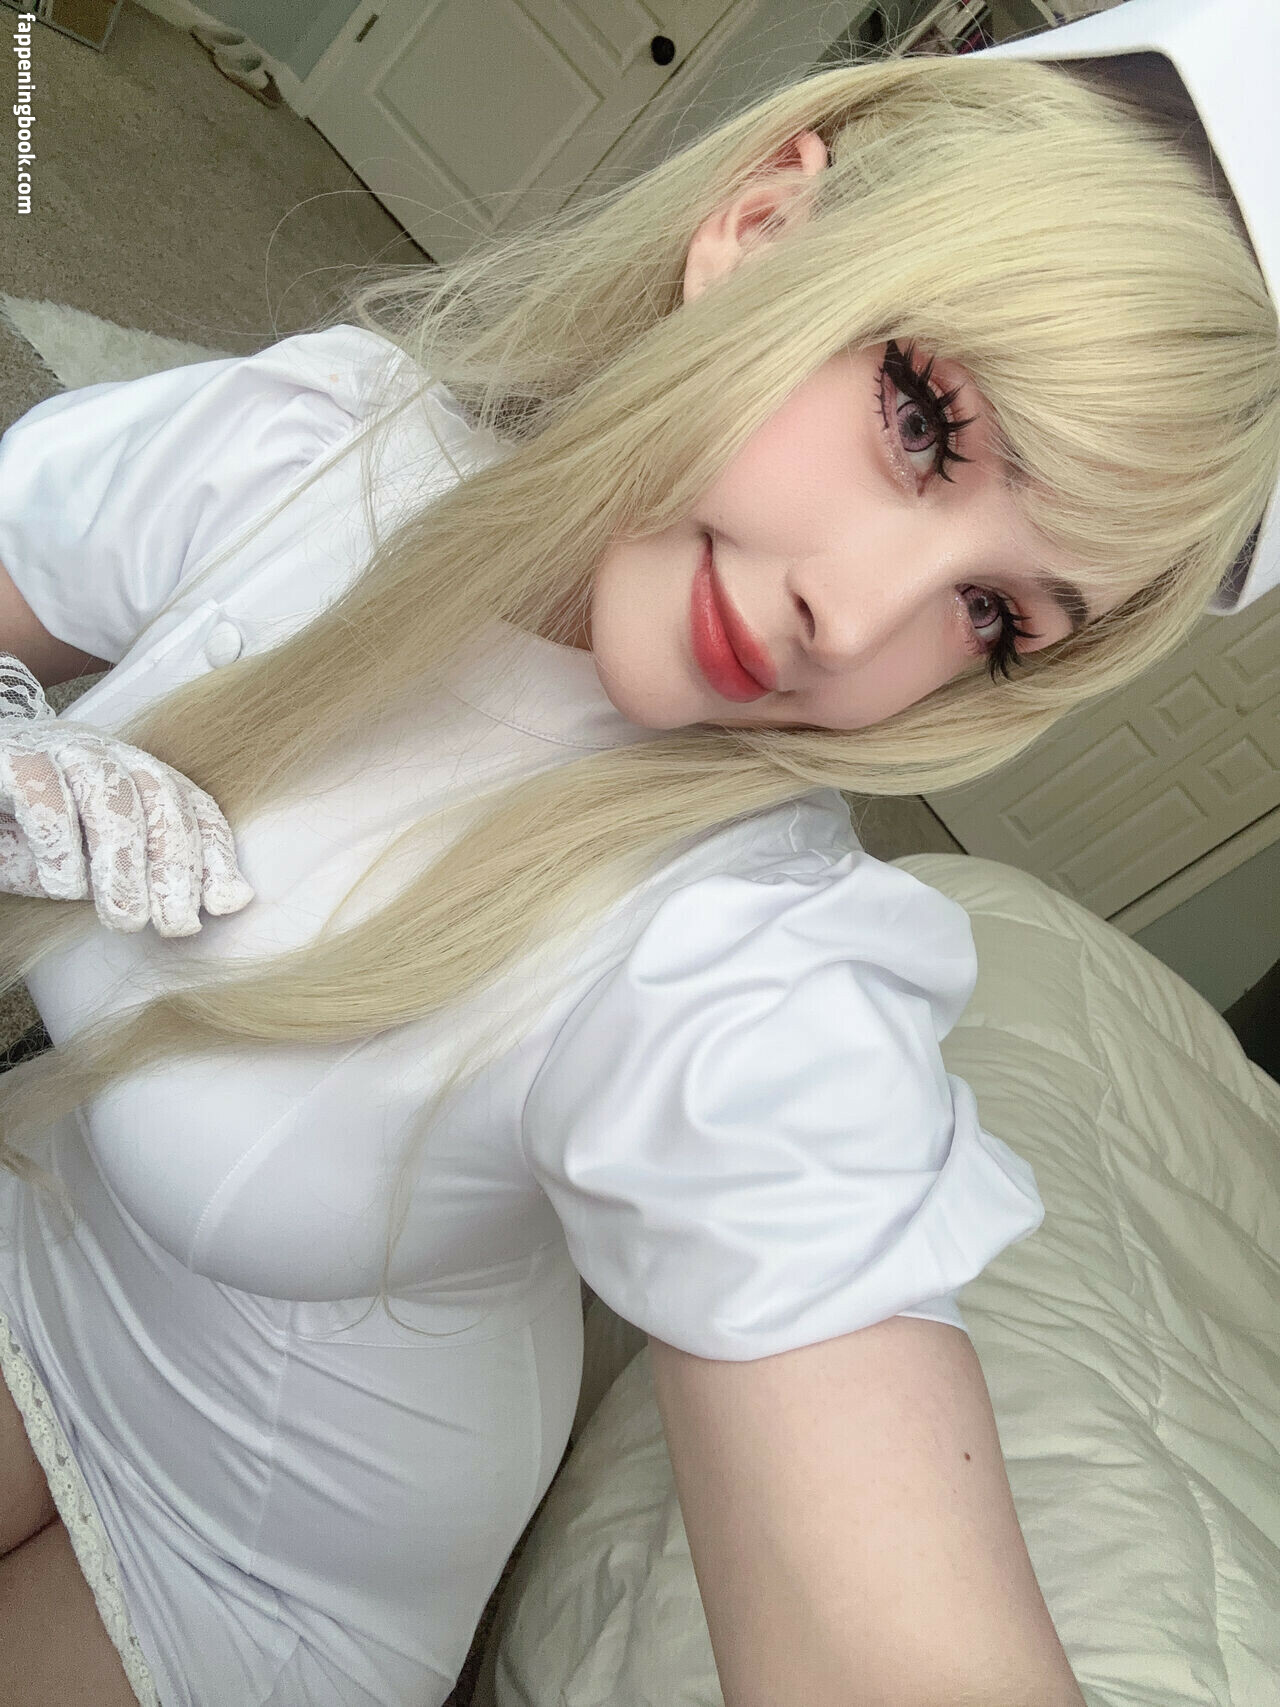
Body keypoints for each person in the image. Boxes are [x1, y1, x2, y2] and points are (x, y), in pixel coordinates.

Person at [0, 2, 1276, 1702]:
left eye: (994, 614)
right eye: (924, 422)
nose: (859, 622)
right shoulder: (312, 449)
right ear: (763, 225)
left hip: (247, 1572)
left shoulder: (742, 963)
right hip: (47, 1244)